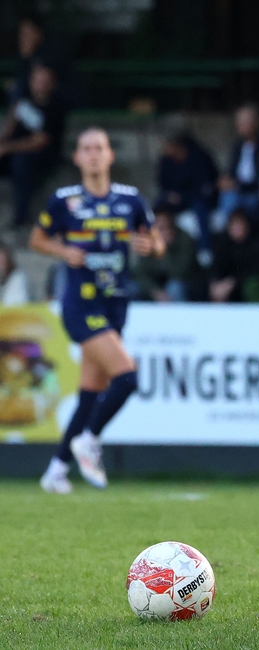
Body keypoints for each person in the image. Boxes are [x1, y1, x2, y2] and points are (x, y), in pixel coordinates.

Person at [30, 127, 165, 494]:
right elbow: (36, 239)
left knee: (91, 391)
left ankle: (56, 470)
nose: (92, 154)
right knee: (127, 377)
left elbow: (156, 240)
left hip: (116, 301)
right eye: (85, 149)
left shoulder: (131, 199)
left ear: (110, 156)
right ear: (76, 157)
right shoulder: (64, 200)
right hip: (80, 303)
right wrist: (63, 251)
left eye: (99, 148)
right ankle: (90, 438)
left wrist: (149, 245)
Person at [0, 63, 68, 229]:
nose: (40, 85)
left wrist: (7, 148)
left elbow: (40, 141)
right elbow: (9, 126)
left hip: (42, 158)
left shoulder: (55, 107)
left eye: (45, 81)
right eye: (37, 81)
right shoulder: (22, 100)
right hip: (13, 152)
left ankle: (21, 217)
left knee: (21, 163)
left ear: (52, 84)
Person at [157, 131, 219, 258]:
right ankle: (157, 242)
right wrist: (171, 195)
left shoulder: (198, 156)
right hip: (175, 199)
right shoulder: (166, 161)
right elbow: (163, 185)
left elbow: (206, 185)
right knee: (157, 205)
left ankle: (205, 249)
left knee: (200, 207)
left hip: (198, 197)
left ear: (176, 145)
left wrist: (183, 196)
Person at [131, 206, 204, 302]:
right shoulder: (149, 238)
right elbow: (140, 272)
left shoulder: (185, 240)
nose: (160, 227)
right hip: (157, 284)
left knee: (174, 287)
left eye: (164, 224)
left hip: (186, 284)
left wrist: (165, 249)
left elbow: (178, 273)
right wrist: (155, 291)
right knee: (132, 288)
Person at [209, 208, 259, 303]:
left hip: (245, 287)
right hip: (226, 289)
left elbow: (258, 270)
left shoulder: (257, 244)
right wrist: (214, 283)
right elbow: (216, 267)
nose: (237, 229)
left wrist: (233, 283)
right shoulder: (223, 243)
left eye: (240, 225)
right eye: (234, 225)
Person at [217, 104, 259, 226]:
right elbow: (232, 171)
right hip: (238, 191)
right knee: (227, 198)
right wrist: (226, 181)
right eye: (238, 123)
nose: (239, 126)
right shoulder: (238, 146)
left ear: (255, 123)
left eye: (244, 122)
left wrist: (237, 184)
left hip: (255, 192)